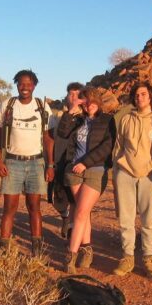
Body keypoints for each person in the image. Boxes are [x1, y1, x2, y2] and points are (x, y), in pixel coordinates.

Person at [111, 82, 152, 279]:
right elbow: (118, 146)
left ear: (150, 96)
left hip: (149, 175)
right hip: (125, 173)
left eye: (143, 94)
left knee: (149, 220)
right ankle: (127, 256)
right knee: (126, 218)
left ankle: (148, 257)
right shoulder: (126, 119)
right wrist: (118, 167)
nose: (139, 97)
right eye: (136, 95)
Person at [0, 69, 54, 256]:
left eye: (29, 84)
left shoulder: (42, 106)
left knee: (34, 207)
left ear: (34, 85)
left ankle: (36, 250)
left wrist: (50, 164)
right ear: (17, 85)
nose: (25, 87)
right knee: (9, 208)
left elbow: (48, 138)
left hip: (36, 163)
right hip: (12, 162)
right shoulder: (8, 105)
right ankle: (4, 249)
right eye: (21, 83)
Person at [57, 87, 115, 273]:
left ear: (98, 101)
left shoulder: (107, 120)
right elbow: (62, 133)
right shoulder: (77, 119)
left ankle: (70, 256)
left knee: (81, 212)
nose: (90, 105)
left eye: (93, 101)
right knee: (84, 212)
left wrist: (85, 163)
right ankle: (87, 249)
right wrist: (71, 111)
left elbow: (107, 147)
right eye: (86, 102)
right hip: (73, 171)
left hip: (95, 170)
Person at [49, 82, 84, 240]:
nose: (74, 97)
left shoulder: (86, 116)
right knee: (59, 199)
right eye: (71, 94)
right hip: (60, 160)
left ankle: (72, 229)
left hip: (77, 162)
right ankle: (65, 217)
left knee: (75, 198)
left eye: (77, 94)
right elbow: (62, 132)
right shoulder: (59, 115)